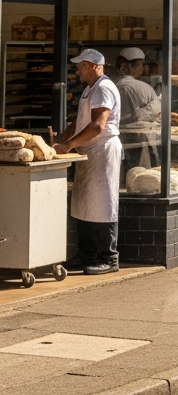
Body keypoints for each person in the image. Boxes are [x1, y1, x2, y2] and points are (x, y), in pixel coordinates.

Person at [51, 49, 122, 275]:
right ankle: (86, 254)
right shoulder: (89, 89)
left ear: (92, 65)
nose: (77, 70)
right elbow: (80, 121)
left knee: (103, 204)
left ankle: (109, 257)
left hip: (102, 151)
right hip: (89, 151)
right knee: (84, 203)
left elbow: (97, 126)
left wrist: (70, 145)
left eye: (80, 65)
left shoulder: (104, 87)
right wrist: (62, 140)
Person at [115, 48, 160, 127]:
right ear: (123, 67)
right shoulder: (144, 87)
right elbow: (157, 112)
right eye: (141, 64)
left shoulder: (110, 85)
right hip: (142, 135)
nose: (142, 68)